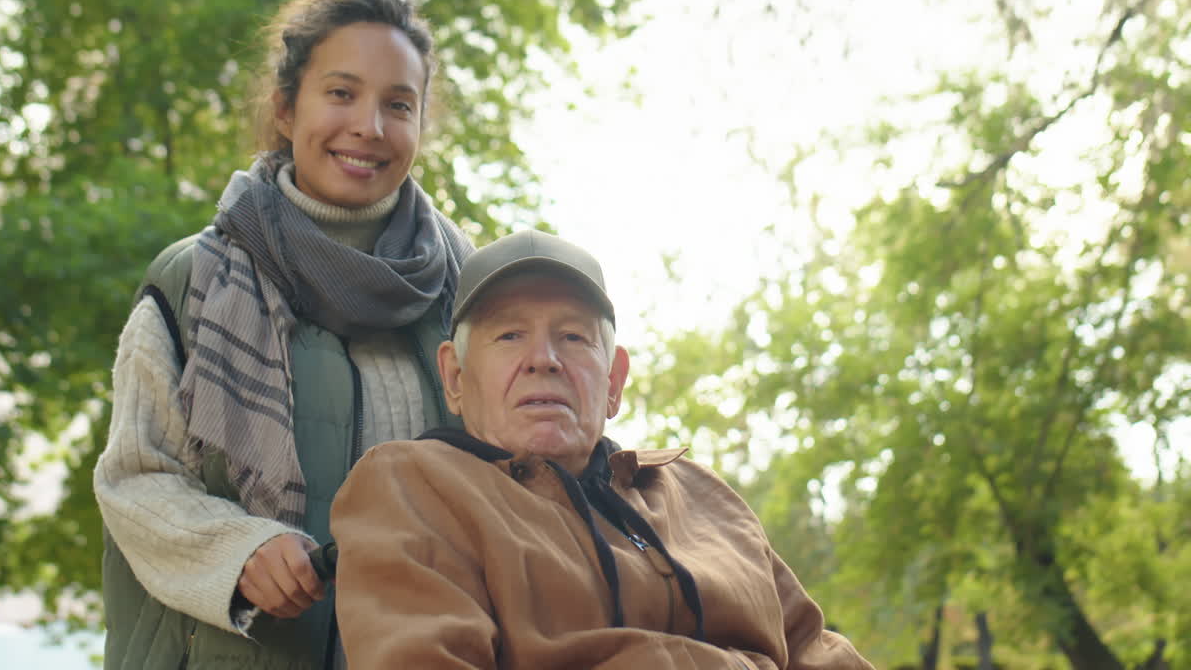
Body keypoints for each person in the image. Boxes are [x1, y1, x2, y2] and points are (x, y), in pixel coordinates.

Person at [93, 0, 472, 670]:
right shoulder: (192, 281)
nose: (369, 126)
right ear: (286, 108)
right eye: (341, 93)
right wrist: (235, 548)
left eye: (398, 105)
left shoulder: (469, 292)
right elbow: (134, 478)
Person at [329, 230, 876, 669]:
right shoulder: (414, 485)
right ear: (454, 376)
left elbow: (812, 647)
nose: (544, 359)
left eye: (573, 337)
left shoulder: (699, 494)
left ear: (614, 381)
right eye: (509, 336)